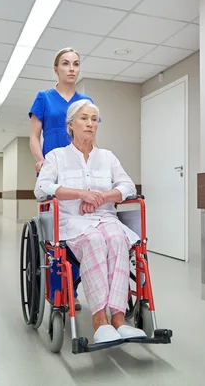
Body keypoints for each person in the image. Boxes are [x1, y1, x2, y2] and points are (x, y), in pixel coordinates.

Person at [34, 99, 147, 343]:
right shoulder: (56, 156)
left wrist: (101, 197)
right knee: (94, 241)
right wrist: (80, 194)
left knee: (118, 240)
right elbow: (41, 188)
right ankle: (99, 320)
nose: (90, 124)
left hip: (105, 217)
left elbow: (127, 186)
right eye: (84, 118)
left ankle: (118, 319)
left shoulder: (107, 157)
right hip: (71, 221)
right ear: (71, 124)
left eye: (94, 119)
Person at [29, 47, 94, 311]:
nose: (71, 68)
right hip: (53, 171)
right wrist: (41, 159)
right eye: (65, 63)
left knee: (79, 229)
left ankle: (73, 289)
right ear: (56, 69)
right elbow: (34, 136)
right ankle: (58, 290)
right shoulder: (44, 98)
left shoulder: (85, 101)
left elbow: (90, 135)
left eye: (76, 64)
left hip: (78, 170)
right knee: (56, 236)